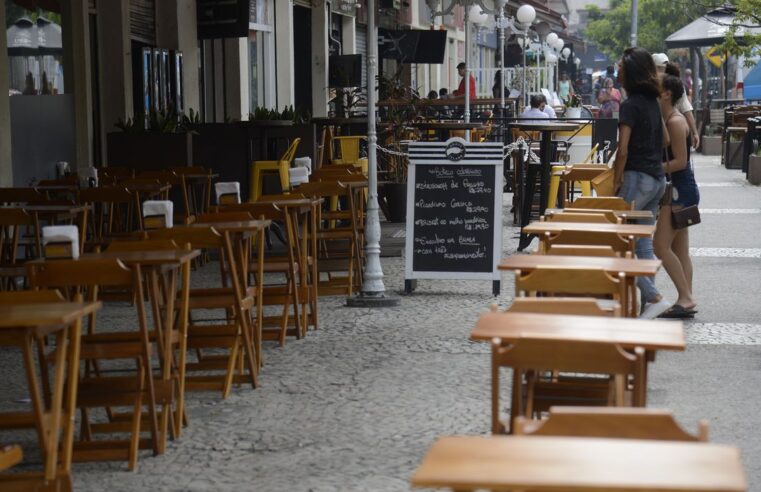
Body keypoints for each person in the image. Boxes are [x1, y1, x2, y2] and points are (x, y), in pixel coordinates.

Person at [613, 47, 670, 319]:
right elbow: (666, 140)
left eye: (621, 67)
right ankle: (650, 306)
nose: (617, 71)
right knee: (642, 245)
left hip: (638, 179)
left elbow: (622, 150)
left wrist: (616, 182)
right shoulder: (652, 102)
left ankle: (654, 296)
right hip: (658, 180)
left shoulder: (630, 105)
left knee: (617, 243)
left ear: (629, 72)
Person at [654, 74, 699, 318]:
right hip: (683, 190)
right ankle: (687, 298)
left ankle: (686, 297)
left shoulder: (675, 120)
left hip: (679, 190)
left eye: (656, 86)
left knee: (660, 245)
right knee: (680, 250)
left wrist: (652, 168)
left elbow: (680, 162)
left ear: (667, 93)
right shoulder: (670, 119)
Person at [653, 53, 700, 149]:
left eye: (665, 65)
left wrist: (695, 132)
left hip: (673, 129)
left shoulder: (675, 85)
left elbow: (686, 108)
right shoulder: (651, 85)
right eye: (660, 67)